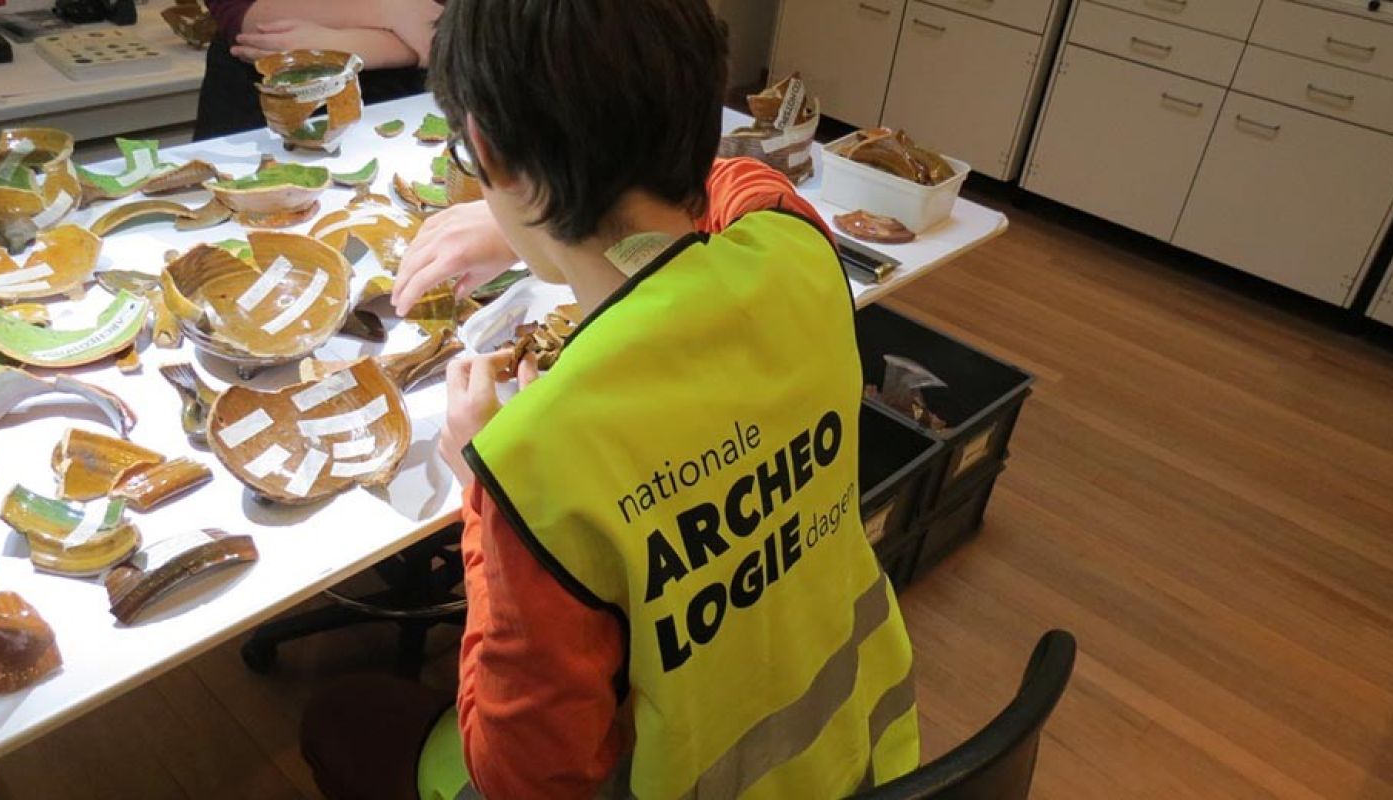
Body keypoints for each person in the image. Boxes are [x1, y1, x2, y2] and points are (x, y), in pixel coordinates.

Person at [301, 1, 922, 798]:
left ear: (485, 152)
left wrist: (480, 495)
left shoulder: (533, 460)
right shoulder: (796, 246)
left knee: (345, 718)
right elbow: (743, 181)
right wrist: (533, 212)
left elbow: (523, 776)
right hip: (868, 751)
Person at [194, 0, 442, 140]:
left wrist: (339, 44)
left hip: (410, 98)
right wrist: (390, 10)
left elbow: (446, 28)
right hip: (269, 99)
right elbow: (248, 19)